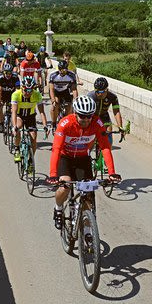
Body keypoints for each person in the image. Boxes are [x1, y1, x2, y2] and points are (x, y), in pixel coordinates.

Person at [47, 96, 121, 230]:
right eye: (82, 116)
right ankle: (58, 208)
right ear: (75, 113)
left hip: (83, 159)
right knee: (65, 186)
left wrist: (112, 173)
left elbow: (105, 147)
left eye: (89, 116)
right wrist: (53, 175)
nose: (86, 119)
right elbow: (56, 149)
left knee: (88, 196)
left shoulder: (97, 123)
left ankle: (87, 231)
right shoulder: (65, 124)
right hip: (66, 158)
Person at [11, 76, 48, 163]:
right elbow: (14, 111)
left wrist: (45, 125)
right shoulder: (16, 94)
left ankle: (31, 160)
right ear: (21, 87)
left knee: (34, 138)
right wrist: (14, 126)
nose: (28, 93)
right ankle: (16, 149)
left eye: (30, 90)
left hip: (30, 116)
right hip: (19, 115)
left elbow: (41, 112)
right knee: (18, 128)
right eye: (25, 90)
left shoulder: (37, 94)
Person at [87, 77, 124, 143]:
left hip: (104, 116)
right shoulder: (90, 96)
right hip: (92, 116)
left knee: (108, 135)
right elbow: (86, 113)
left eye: (102, 92)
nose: (99, 94)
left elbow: (116, 112)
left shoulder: (112, 97)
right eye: (97, 91)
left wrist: (120, 126)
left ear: (107, 89)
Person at [48, 59, 78, 130]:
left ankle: (66, 121)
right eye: (62, 70)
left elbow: (74, 89)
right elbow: (51, 89)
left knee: (69, 106)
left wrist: (76, 100)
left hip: (65, 90)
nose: (64, 71)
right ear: (59, 69)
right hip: (55, 91)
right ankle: (54, 123)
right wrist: (53, 101)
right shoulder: (53, 75)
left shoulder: (71, 75)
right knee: (55, 105)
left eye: (65, 69)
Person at [0, 63, 20, 133]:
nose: (8, 74)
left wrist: (17, 100)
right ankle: (1, 123)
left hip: (12, 95)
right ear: (3, 72)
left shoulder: (15, 77)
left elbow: (18, 90)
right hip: (2, 95)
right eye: (6, 72)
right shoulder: (0, 77)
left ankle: (13, 123)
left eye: (9, 73)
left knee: (14, 110)